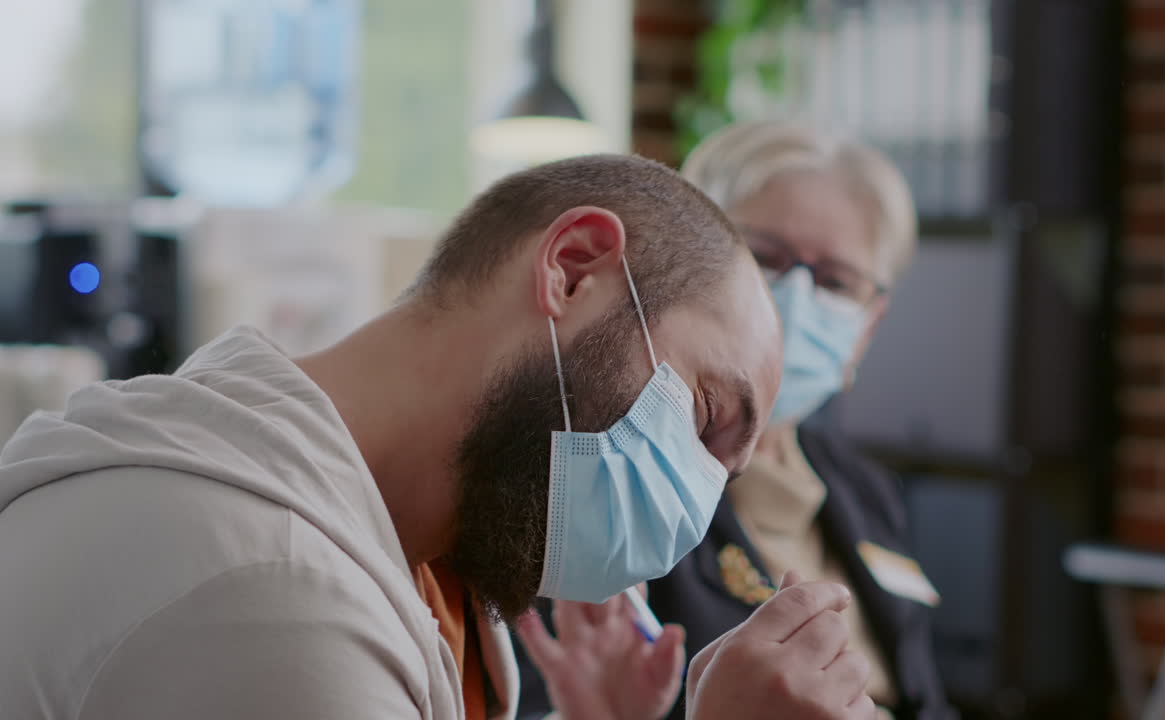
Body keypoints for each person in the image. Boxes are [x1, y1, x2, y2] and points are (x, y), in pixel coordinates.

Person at [0, 155, 881, 720]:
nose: (694, 508)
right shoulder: (269, 587)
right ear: (573, 269)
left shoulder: (413, 564)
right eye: (703, 419)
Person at [515, 126, 957, 719]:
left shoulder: (865, 492)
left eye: (834, 282)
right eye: (765, 259)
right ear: (681, 265)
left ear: (867, 328)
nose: (794, 300)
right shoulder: (605, 474)